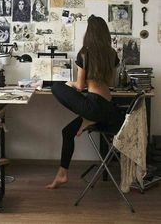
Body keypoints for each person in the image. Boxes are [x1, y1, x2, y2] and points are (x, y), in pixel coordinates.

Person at [46, 15, 124, 189]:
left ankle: (87, 118)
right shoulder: (112, 54)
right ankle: (62, 174)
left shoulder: (85, 52)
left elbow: (80, 86)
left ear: (89, 33)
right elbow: (111, 83)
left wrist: (69, 83)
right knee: (68, 132)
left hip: (94, 107)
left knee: (56, 86)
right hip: (108, 109)